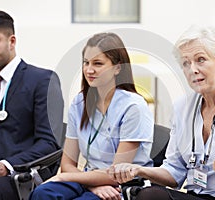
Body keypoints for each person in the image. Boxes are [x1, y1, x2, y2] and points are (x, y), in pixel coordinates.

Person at [108, 26, 215, 200]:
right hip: (198, 196)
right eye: (186, 63)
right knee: (149, 194)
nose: (192, 69)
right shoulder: (182, 108)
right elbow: (174, 173)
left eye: (200, 60)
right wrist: (139, 170)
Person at [29, 32, 154, 200]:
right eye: (86, 62)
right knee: (42, 193)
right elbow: (67, 164)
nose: (89, 70)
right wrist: (92, 184)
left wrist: (63, 177)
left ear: (118, 67)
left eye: (98, 63)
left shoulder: (133, 106)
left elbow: (116, 173)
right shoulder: (80, 102)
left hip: (123, 185)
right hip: (89, 179)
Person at [0, 10, 64, 199]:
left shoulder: (42, 81)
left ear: (12, 41)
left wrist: (6, 165)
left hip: (15, 174)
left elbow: (49, 143)